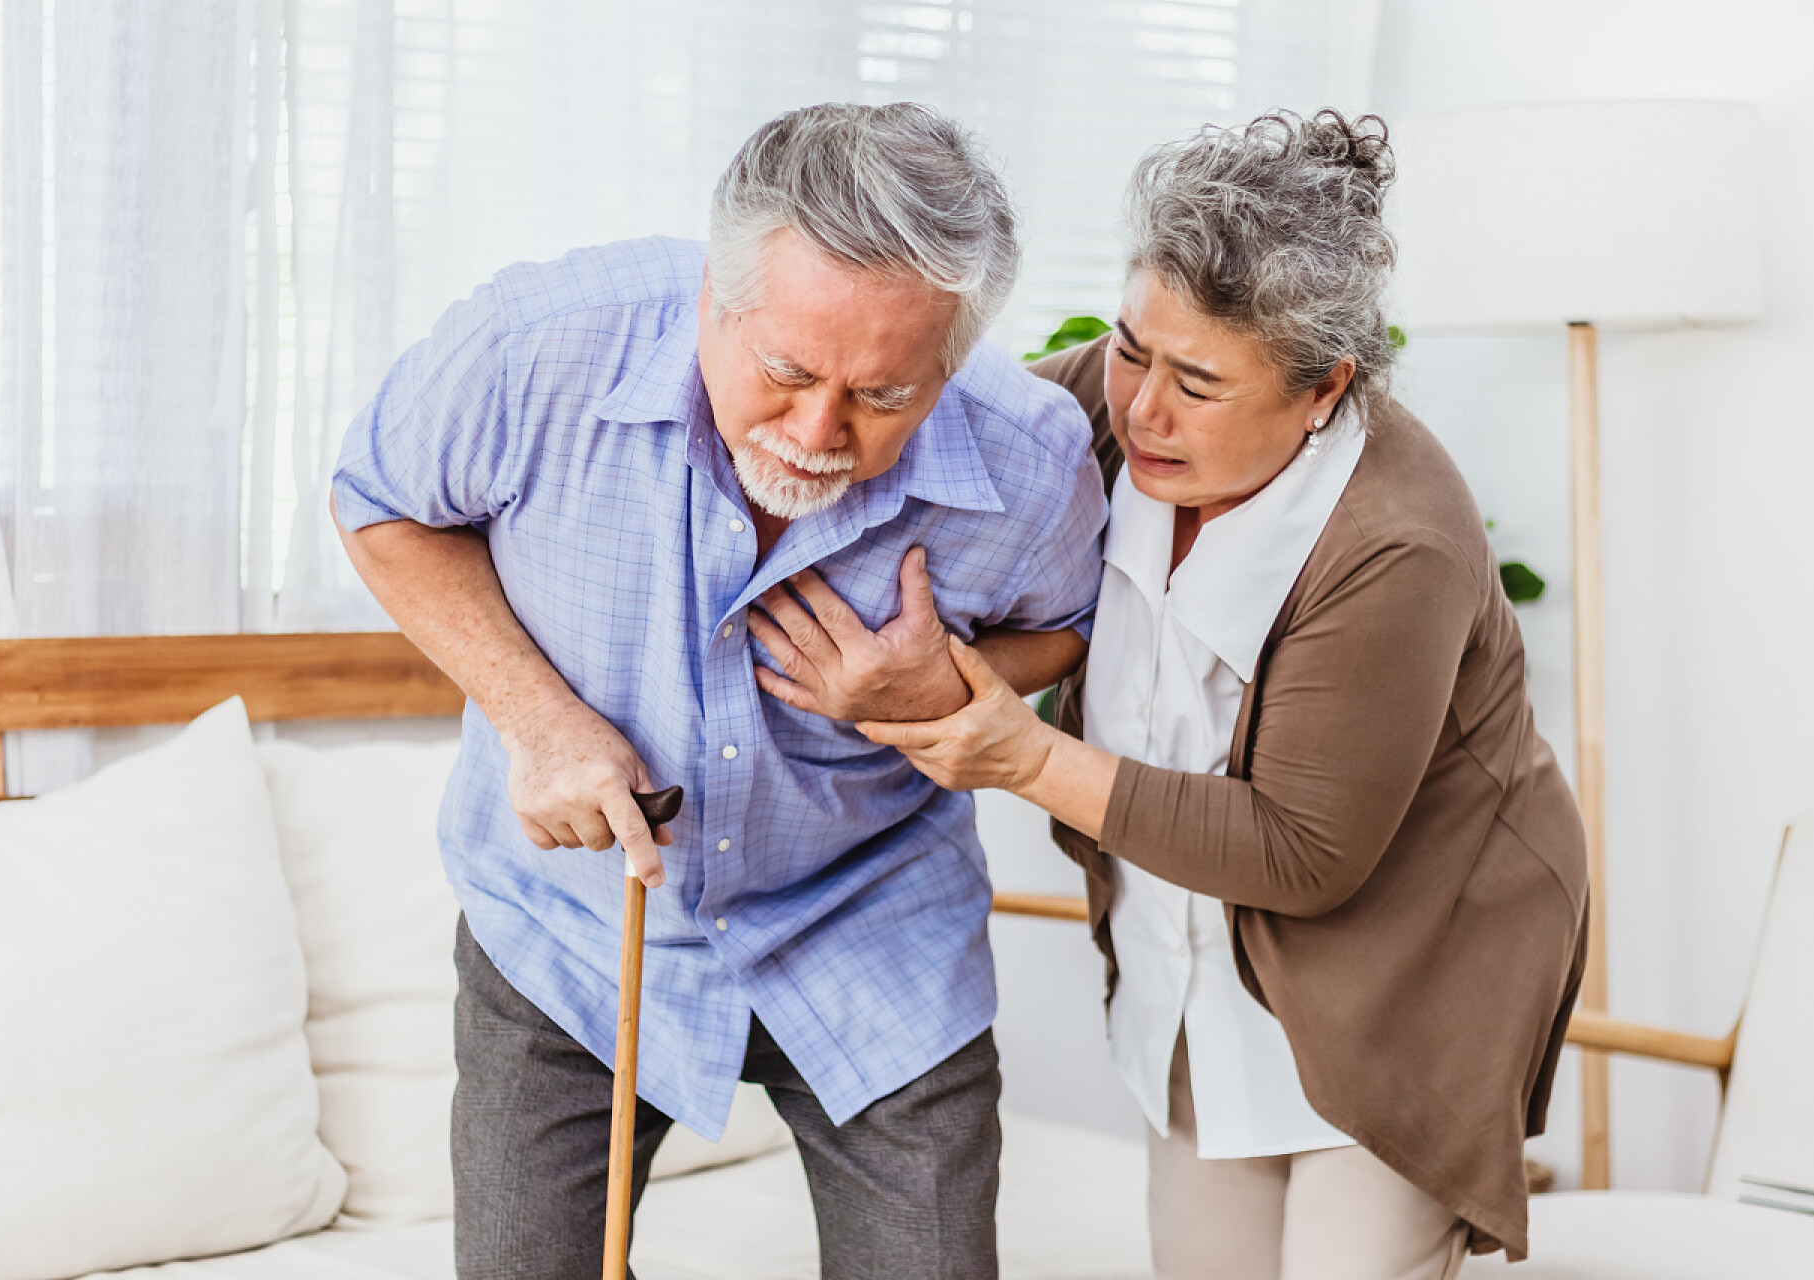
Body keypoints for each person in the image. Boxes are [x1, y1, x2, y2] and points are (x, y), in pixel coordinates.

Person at [764, 111, 1588, 1277]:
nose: (1139, 406)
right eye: (1132, 346)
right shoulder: (1103, 412)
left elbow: (1303, 850)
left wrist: (1021, 753)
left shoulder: (1395, 542)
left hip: (1413, 972)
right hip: (1194, 965)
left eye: (1197, 381)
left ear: (1322, 390)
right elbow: (951, 431)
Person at [330, 102, 1106, 1280]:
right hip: (575, 935)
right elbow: (378, 497)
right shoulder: (536, 345)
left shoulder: (1032, 458)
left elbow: (1062, 630)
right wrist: (539, 719)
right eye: (786, 370)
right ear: (713, 294)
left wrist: (943, 683)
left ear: (950, 366)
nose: (817, 432)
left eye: (884, 396)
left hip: (875, 928)